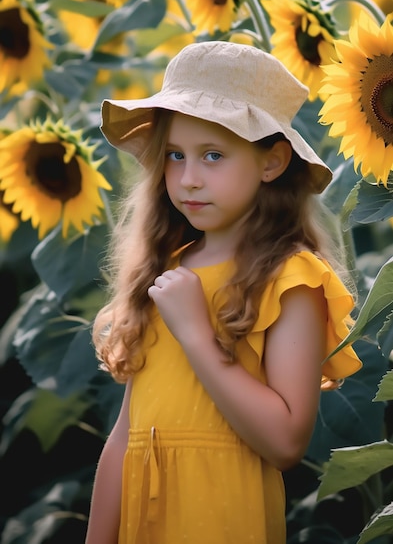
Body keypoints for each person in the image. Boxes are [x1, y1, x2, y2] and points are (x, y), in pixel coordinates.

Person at [84, 41, 362, 544]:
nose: (188, 179)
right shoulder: (164, 272)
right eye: (175, 155)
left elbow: (285, 442)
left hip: (223, 520)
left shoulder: (292, 279)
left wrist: (196, 334)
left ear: (272, 162)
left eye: (213, 155)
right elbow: (125, 436)